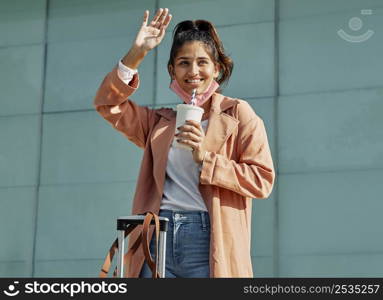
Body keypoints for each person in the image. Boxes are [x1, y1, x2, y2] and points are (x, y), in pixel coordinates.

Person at [93, 8, 275, 278]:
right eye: (183, 63)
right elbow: (108, 104)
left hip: (208, 239)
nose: (193, 71)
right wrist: (136, 54)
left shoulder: (238, 114)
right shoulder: (159, 122)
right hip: (157, 236)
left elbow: (262, 179)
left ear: (217, 69)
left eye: (202, 62)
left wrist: (206, 158)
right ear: (172, 70)